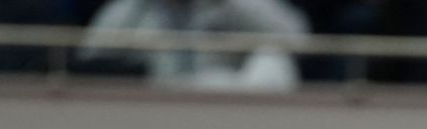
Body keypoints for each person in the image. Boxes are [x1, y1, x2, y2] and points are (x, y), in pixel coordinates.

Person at [76, 0, 308, 89]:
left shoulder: (235, 6)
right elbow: (87, 67)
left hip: (225, 111)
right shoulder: (127, 11)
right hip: (150, 113)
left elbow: (300, 40)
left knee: (273, 60)